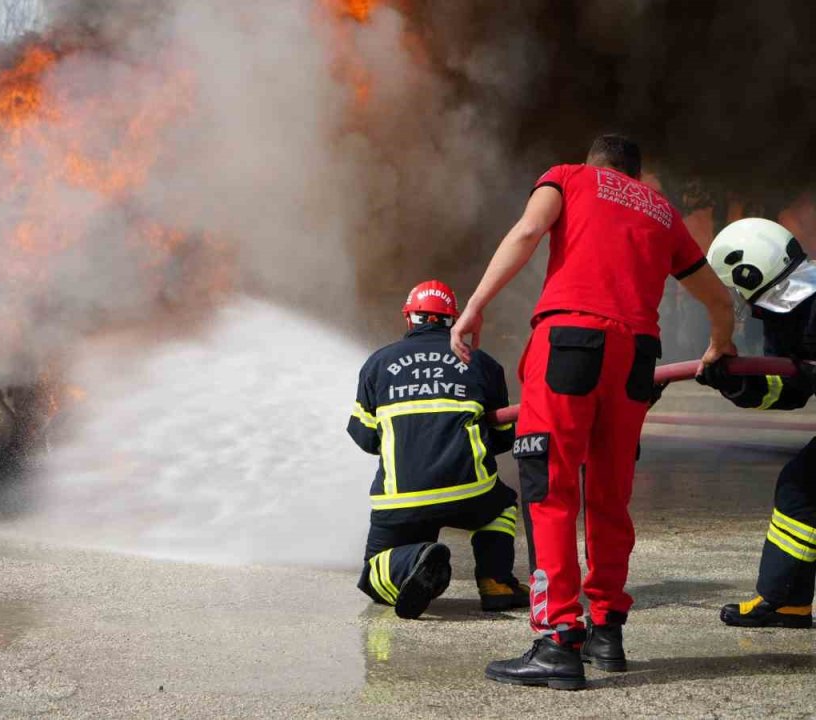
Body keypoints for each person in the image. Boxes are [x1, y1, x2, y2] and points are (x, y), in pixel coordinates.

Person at [450, 134, 738, 690]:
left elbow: (529, 231)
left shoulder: (568, 177)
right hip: (637, 356)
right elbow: (718, 301)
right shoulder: (663, 212)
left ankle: (558, 639)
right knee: (609, 493)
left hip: (570, 342)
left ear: (594, 164)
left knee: (550, 488)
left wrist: (475, 307)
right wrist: (718, 347)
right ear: (636, 172)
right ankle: (607, 630)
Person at [348, 279, 528, 620]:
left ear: (409, 318)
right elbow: (503, 438)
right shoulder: (482, 363)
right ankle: (496, 584)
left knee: (375, 577)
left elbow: (365, 438)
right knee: (501, 505)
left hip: (401, 499)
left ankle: (415, 558)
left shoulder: (378, 363)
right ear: (454, 319)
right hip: (470, 492)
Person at [700, 217, 816, 629]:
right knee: (801, 487)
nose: (736, 298)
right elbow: (789, 392)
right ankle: (786, 600)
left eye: (735, 285)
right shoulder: (785, 314)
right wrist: (736, 383)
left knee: (804, 486)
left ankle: (785, 599)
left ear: (752, 271)